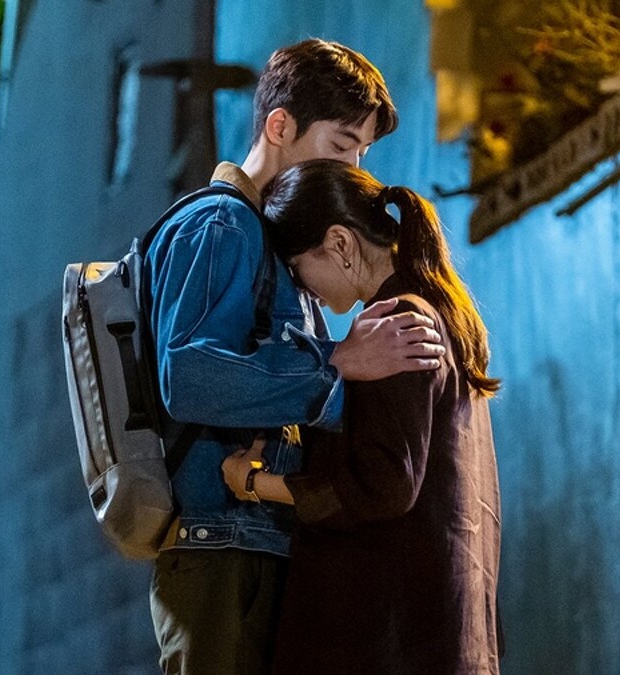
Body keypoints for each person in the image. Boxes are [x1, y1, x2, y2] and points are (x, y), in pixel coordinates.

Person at [144, 40, 446, 675]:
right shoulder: (223, 224)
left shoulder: (273, 242)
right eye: (341, 145)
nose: (352, 169)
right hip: (222, 548)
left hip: (261, 543)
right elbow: (189, 374)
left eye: (362, 154)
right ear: (280, 127)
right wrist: (337, 362)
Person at [222, 159, 503, 674]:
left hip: (390, 639)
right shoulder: (439, 313)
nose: (303, 290)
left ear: (340, 244)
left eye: (297, 268)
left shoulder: (395, 324)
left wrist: (255, 482)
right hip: (436, 632)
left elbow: (384, 485)